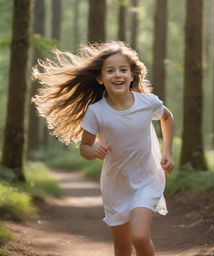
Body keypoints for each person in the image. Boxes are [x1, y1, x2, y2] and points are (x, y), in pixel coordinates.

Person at [32, 41, 174, 256]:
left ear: (132, 75)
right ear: (100, 78)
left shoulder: (147, 103)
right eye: (110, 71)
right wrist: (94, 149)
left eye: (123, 70)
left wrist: (167, 152)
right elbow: (84, 148)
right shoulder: (96, 112)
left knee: (139, 236)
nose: (117, 74)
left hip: (147, 180)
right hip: (116, 185)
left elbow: (167, 117)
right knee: (122, 247)